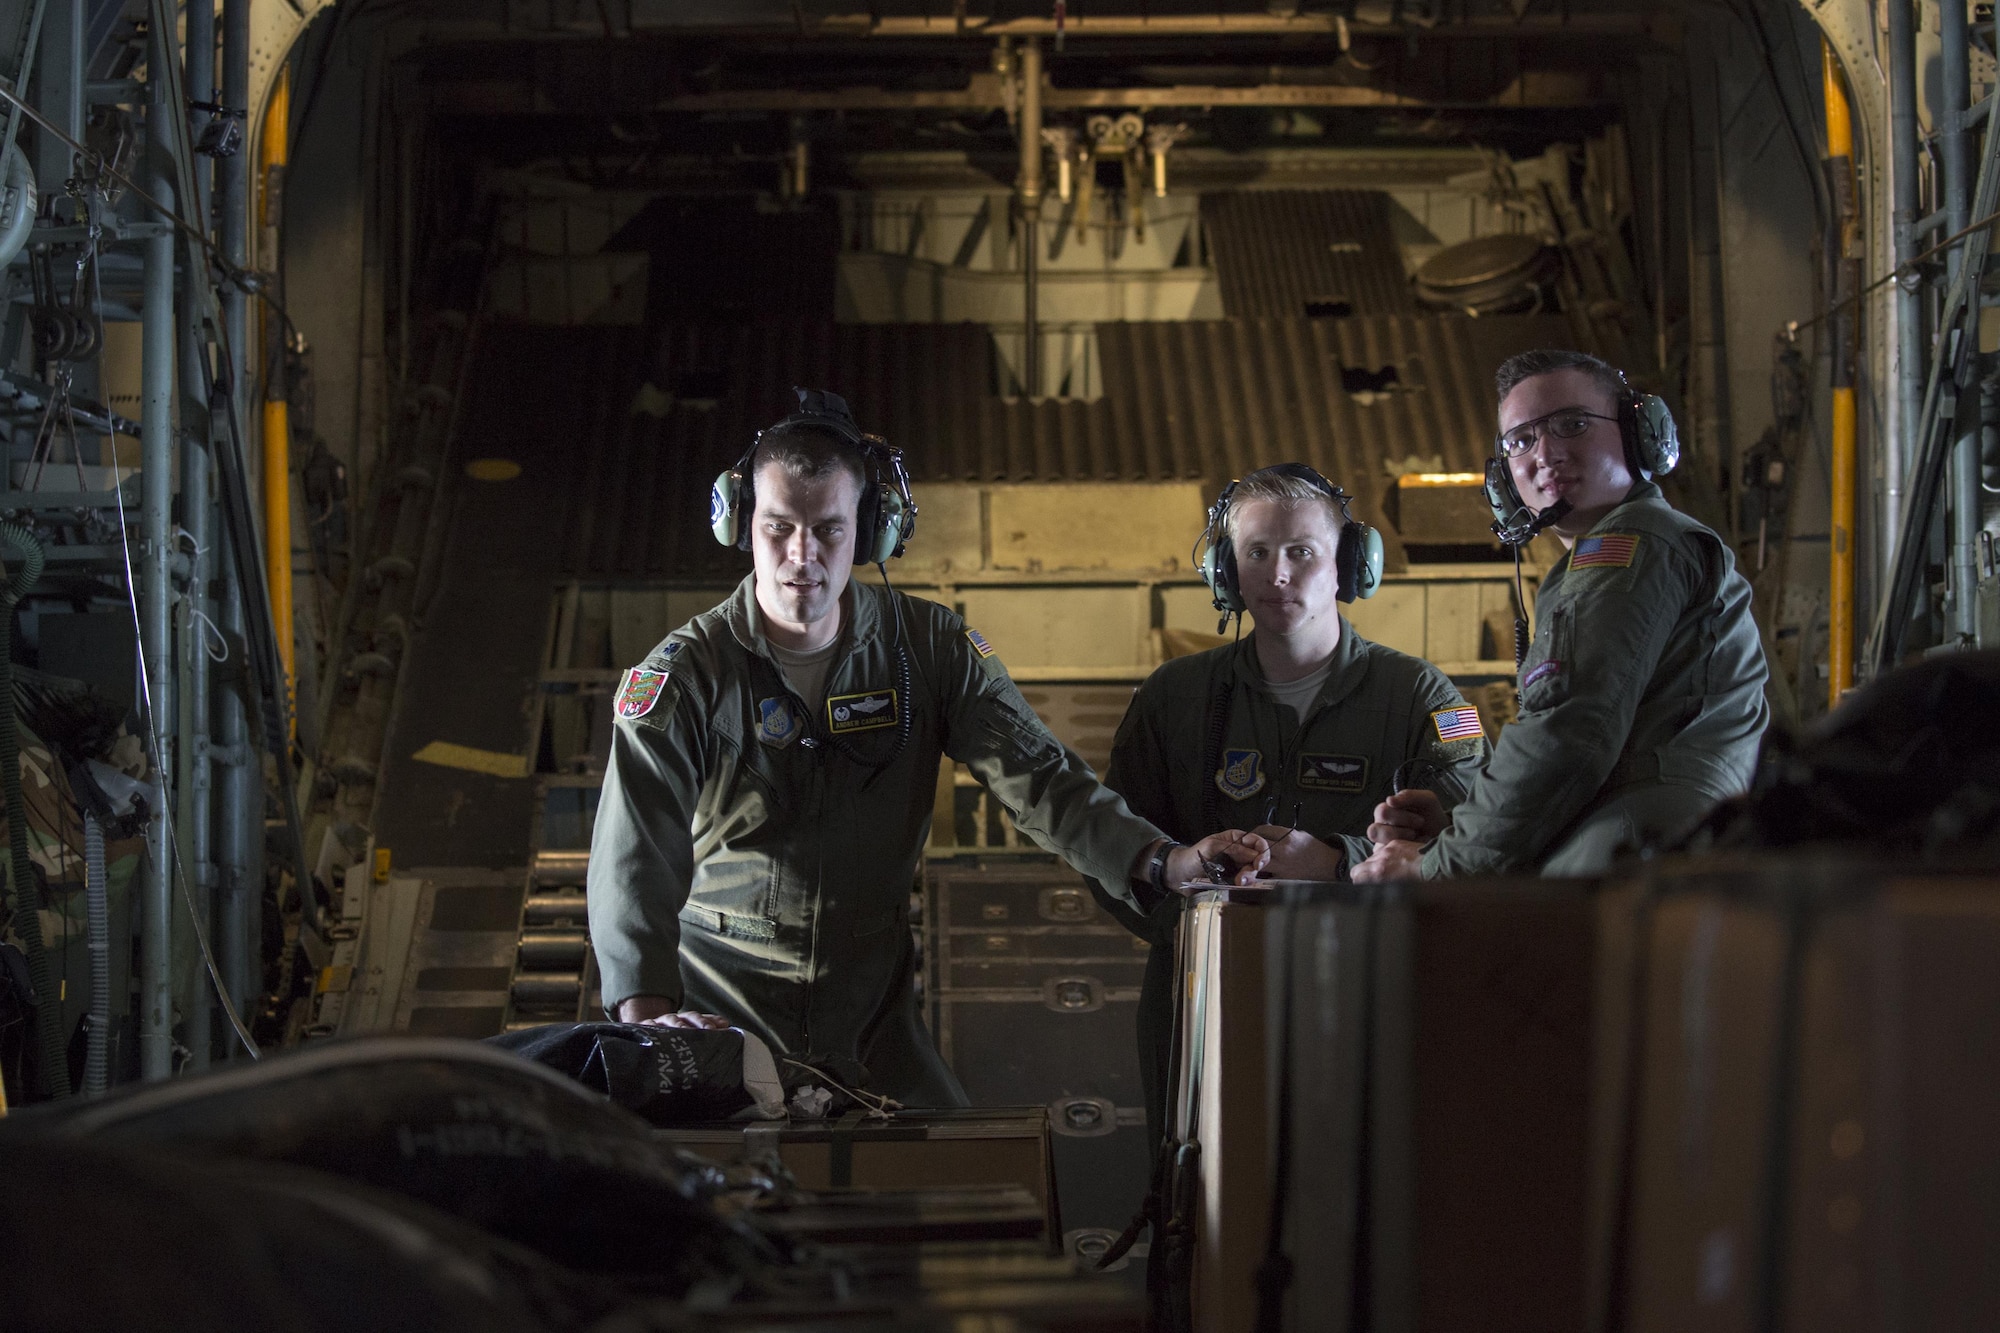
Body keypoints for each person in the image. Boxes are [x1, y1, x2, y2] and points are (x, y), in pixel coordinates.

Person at [585, 389, 1268, 1107]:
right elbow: (633, 859)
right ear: (740, 525)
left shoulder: (931, 650)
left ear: (873, 531)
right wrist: (652, 1020)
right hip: (723, 1000)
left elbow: (1041, 778)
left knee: (955, 1175)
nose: (801, 556)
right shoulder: (683, 675)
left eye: (829, 529)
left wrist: (1164, 857)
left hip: (872, 1013)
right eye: (777, 527)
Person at [1086, 463, 1491, 1145]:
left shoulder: (1423, 697)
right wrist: (1193, 894)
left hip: (1367, 1000)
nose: (1278, 574)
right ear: (1226, 569)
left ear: (1349, 567)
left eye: (1301, 551)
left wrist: (1341, 861)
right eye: (1257, 551)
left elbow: (1485, 837)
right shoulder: (1173, 699)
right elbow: (1107, 846)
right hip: (1205, 1005)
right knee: (1198, 1213)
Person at [1355, 350, 1769, 882]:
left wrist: (1437, 867)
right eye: (1521, 440)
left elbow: (1567, 732)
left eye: (1572, 425)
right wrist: (1464, 826)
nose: (1545, 454)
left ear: (1639, 433)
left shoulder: (1629, 544)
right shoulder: (1619, 551)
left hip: (1635, 847)